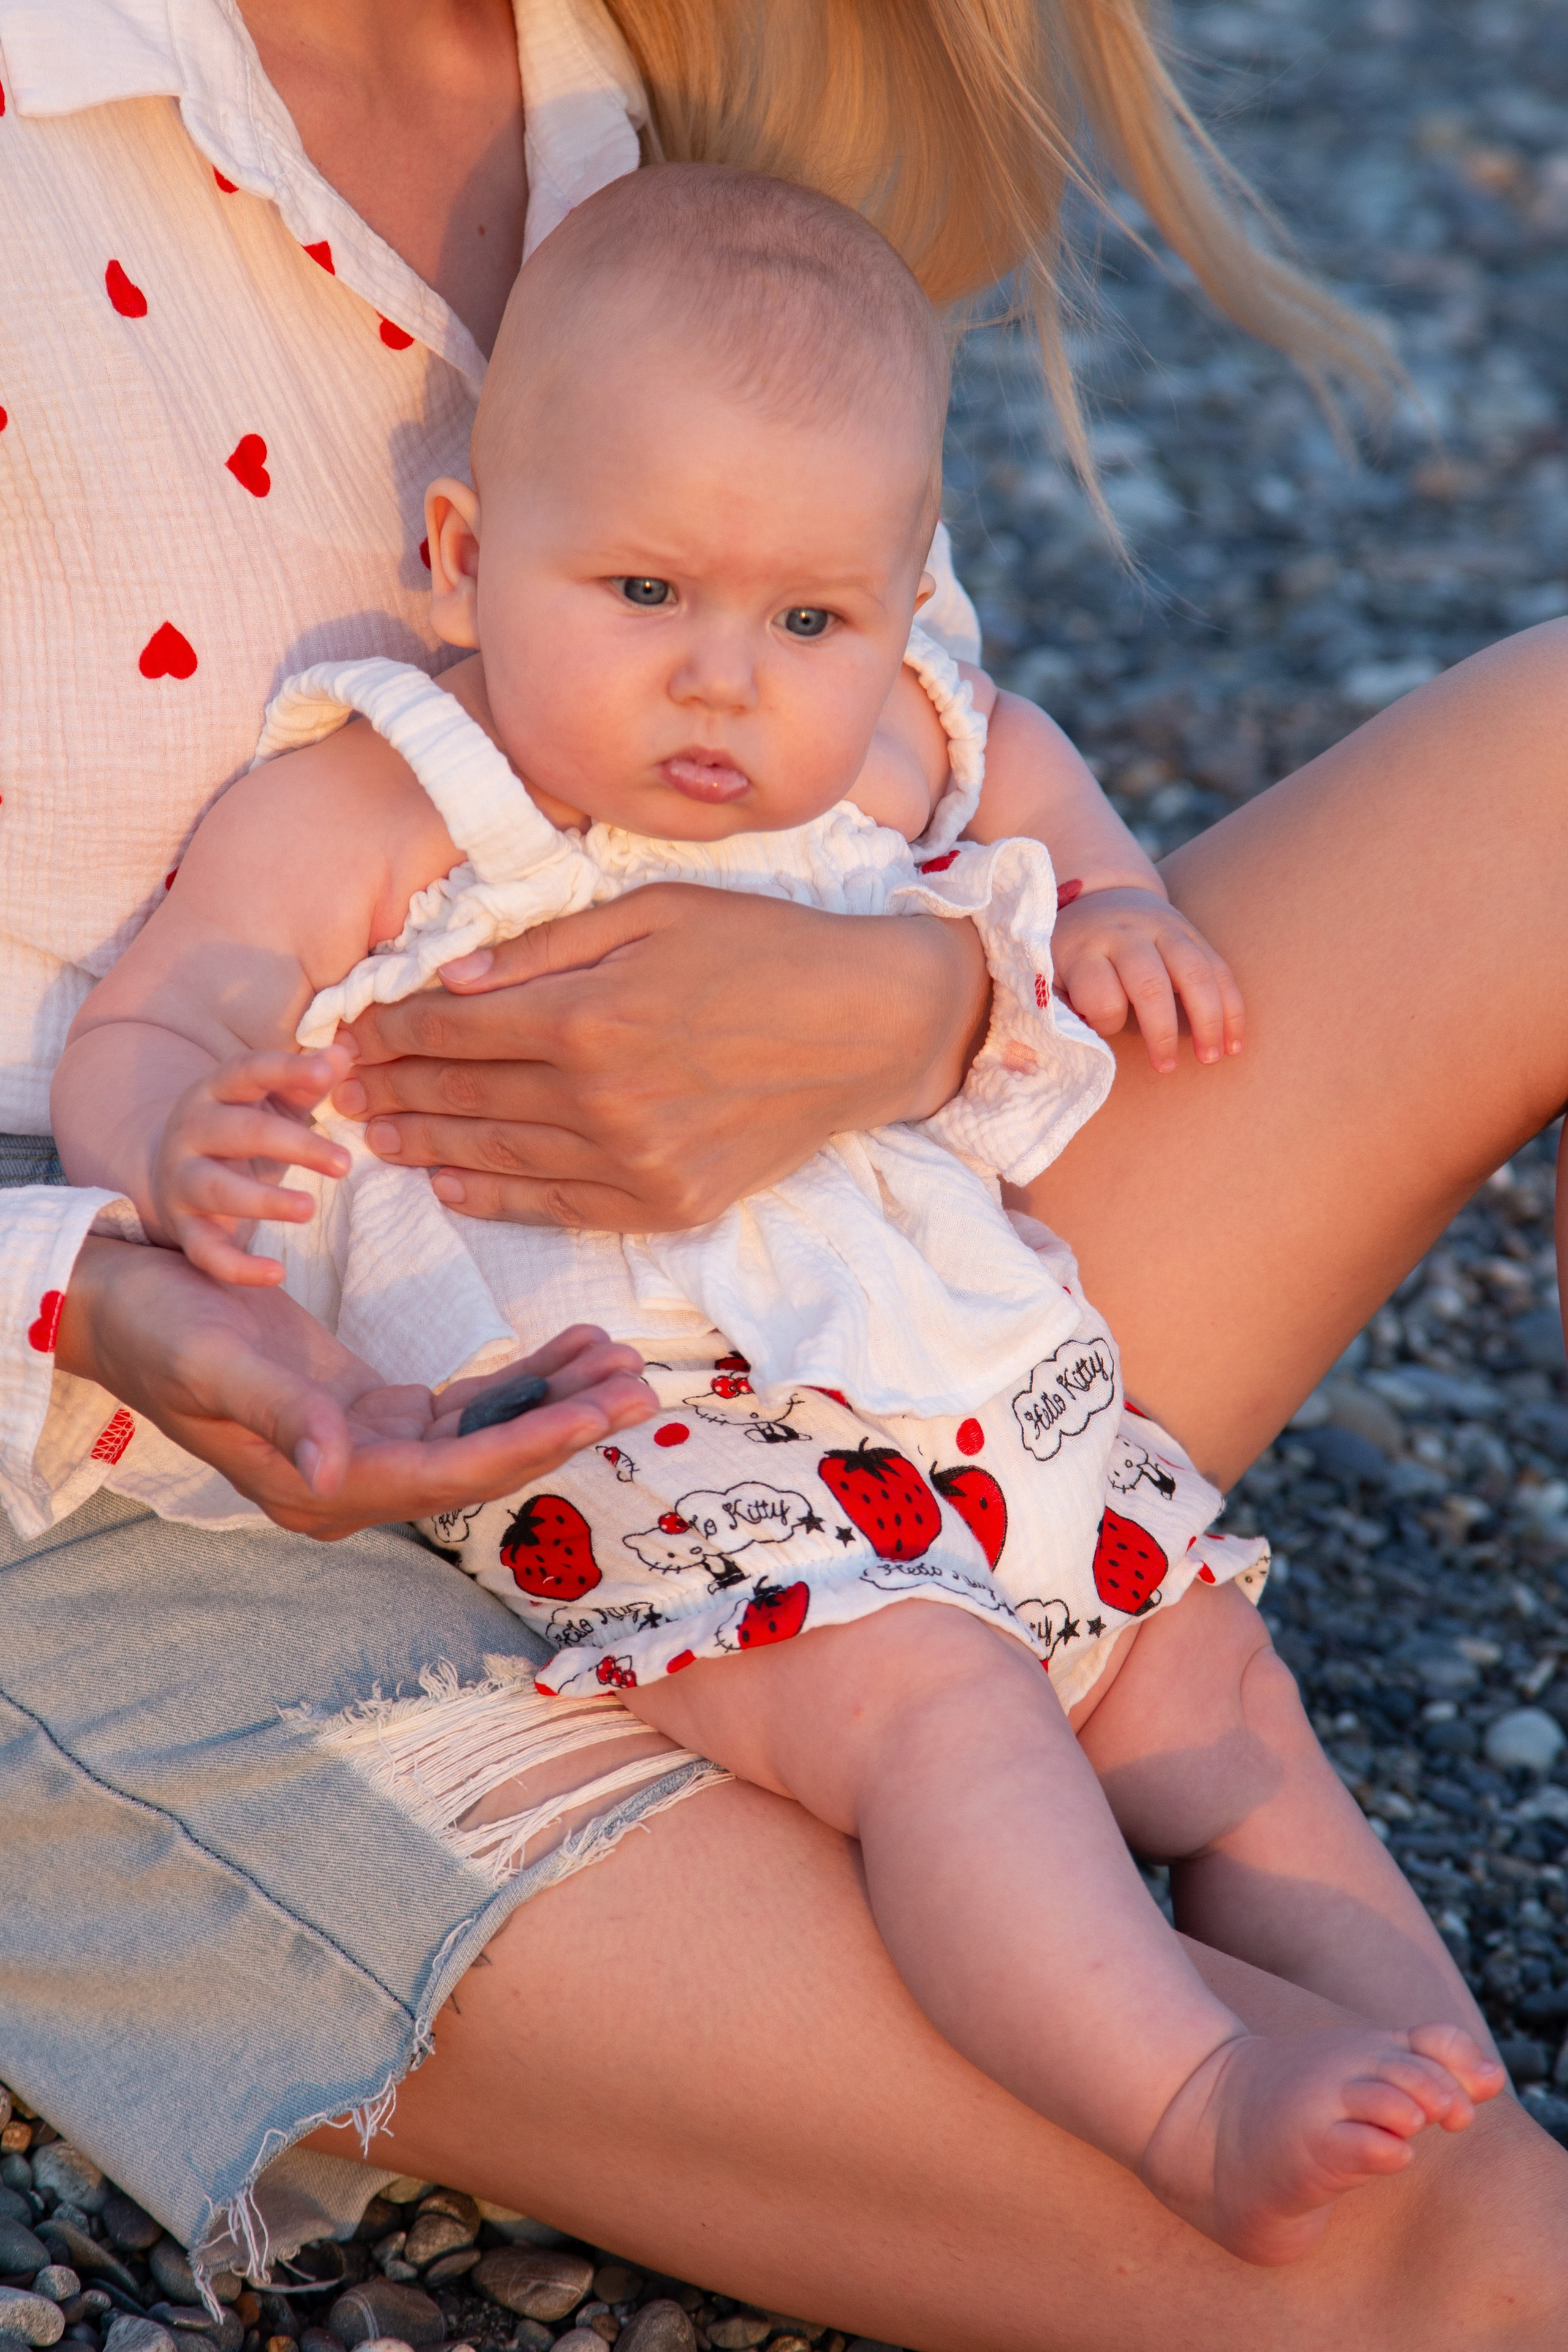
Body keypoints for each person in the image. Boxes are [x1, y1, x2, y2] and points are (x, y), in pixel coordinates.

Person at [2, 1, 1566, 2343]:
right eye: (654, 605)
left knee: (1223, 1729)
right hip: (181, 1523)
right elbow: (195, 1003)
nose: (725, 670)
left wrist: (922, 999)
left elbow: (944, 754)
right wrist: (109, 1264)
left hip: (897, 1297)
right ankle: (1205, 2085)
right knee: (1402, 2254)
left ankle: (1395, 2034)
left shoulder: (642, 96)